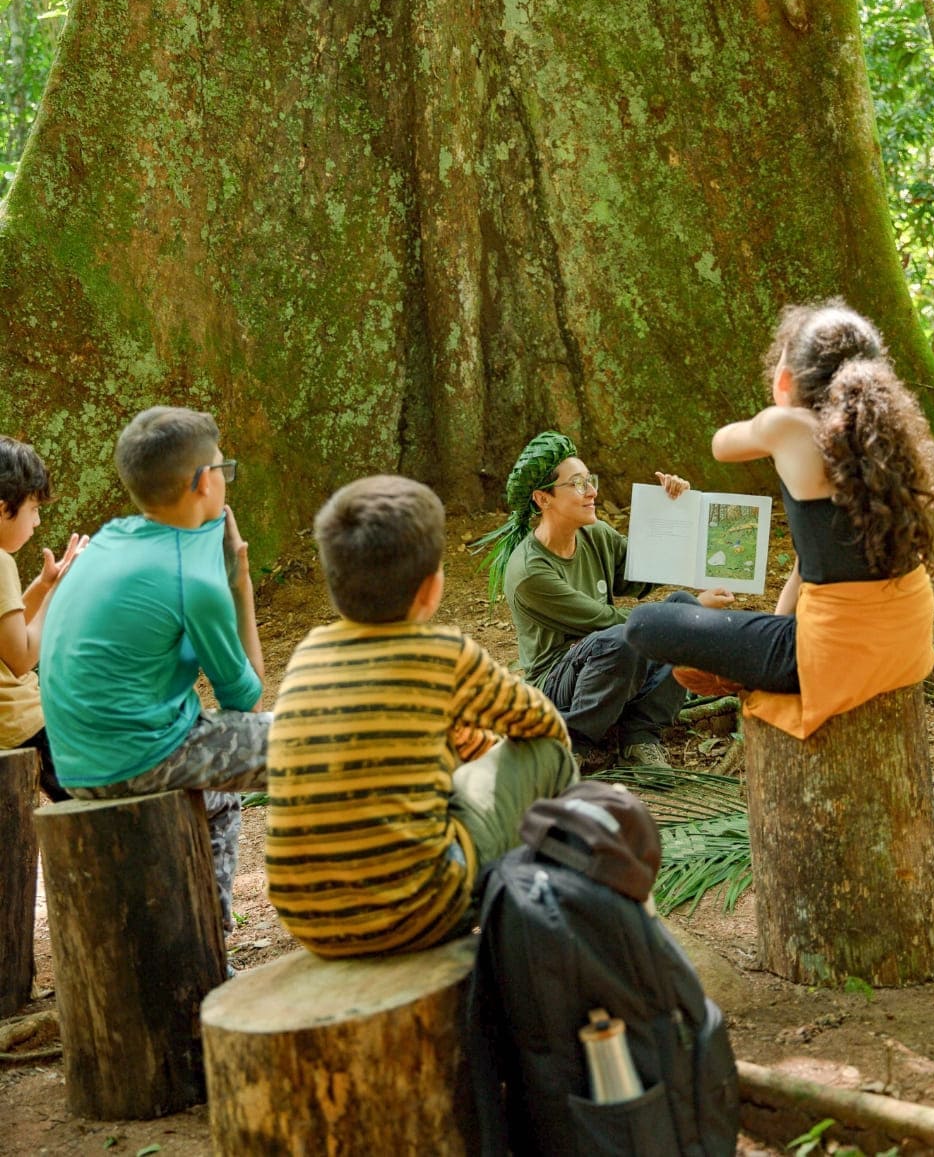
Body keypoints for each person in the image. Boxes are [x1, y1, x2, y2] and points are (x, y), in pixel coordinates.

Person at [265, 474, 576, 958]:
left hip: (310, 922)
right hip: (423, 909)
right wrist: (475, 749)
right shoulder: (442, 655)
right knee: (551, 756)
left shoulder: (308, 655)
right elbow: (544, 728)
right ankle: (543, 904)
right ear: (432, 588)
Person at [625, 300, 934, 739]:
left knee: (645, 624)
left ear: (789, 377)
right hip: (908, 644)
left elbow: (722, 445)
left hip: (836, 656)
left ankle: (751, 672)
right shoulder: (890, 444)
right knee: (684, 609)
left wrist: (781, 410)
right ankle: (758, 661)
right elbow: (808, 562)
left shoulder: (788, 428)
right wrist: (775, 627)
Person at [39, 407, 270, 931]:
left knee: (221, 802)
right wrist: (241, 583)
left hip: (76, 765)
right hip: (137, 758)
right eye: (221, 468)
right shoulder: (195, 575)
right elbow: (246, 703)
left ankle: (206, 943)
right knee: (311, 743)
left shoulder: (111, 540)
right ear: (203, 483)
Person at [472, 431, 732, 769]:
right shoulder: (529, 572)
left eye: (589, 481)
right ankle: (572, 743)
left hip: (614, 666)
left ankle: (640, 736)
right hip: (558, 683)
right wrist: (689, 614)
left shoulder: (594, 534)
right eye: (577, 484)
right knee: (628, 636)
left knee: (678, 607)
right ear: (543, 498)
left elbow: (645, 573)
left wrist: (673, 509)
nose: (593, 491)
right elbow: (608, 621)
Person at [0, 436, 87, 800]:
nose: (36, 522)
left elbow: (5, 635)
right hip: (24, 723)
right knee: (98, 802)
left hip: (12, 727)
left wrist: (43, 585)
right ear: (4, 508)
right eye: (34, 508)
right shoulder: (1, 561)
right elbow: (20, 658)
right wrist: (59, 593)